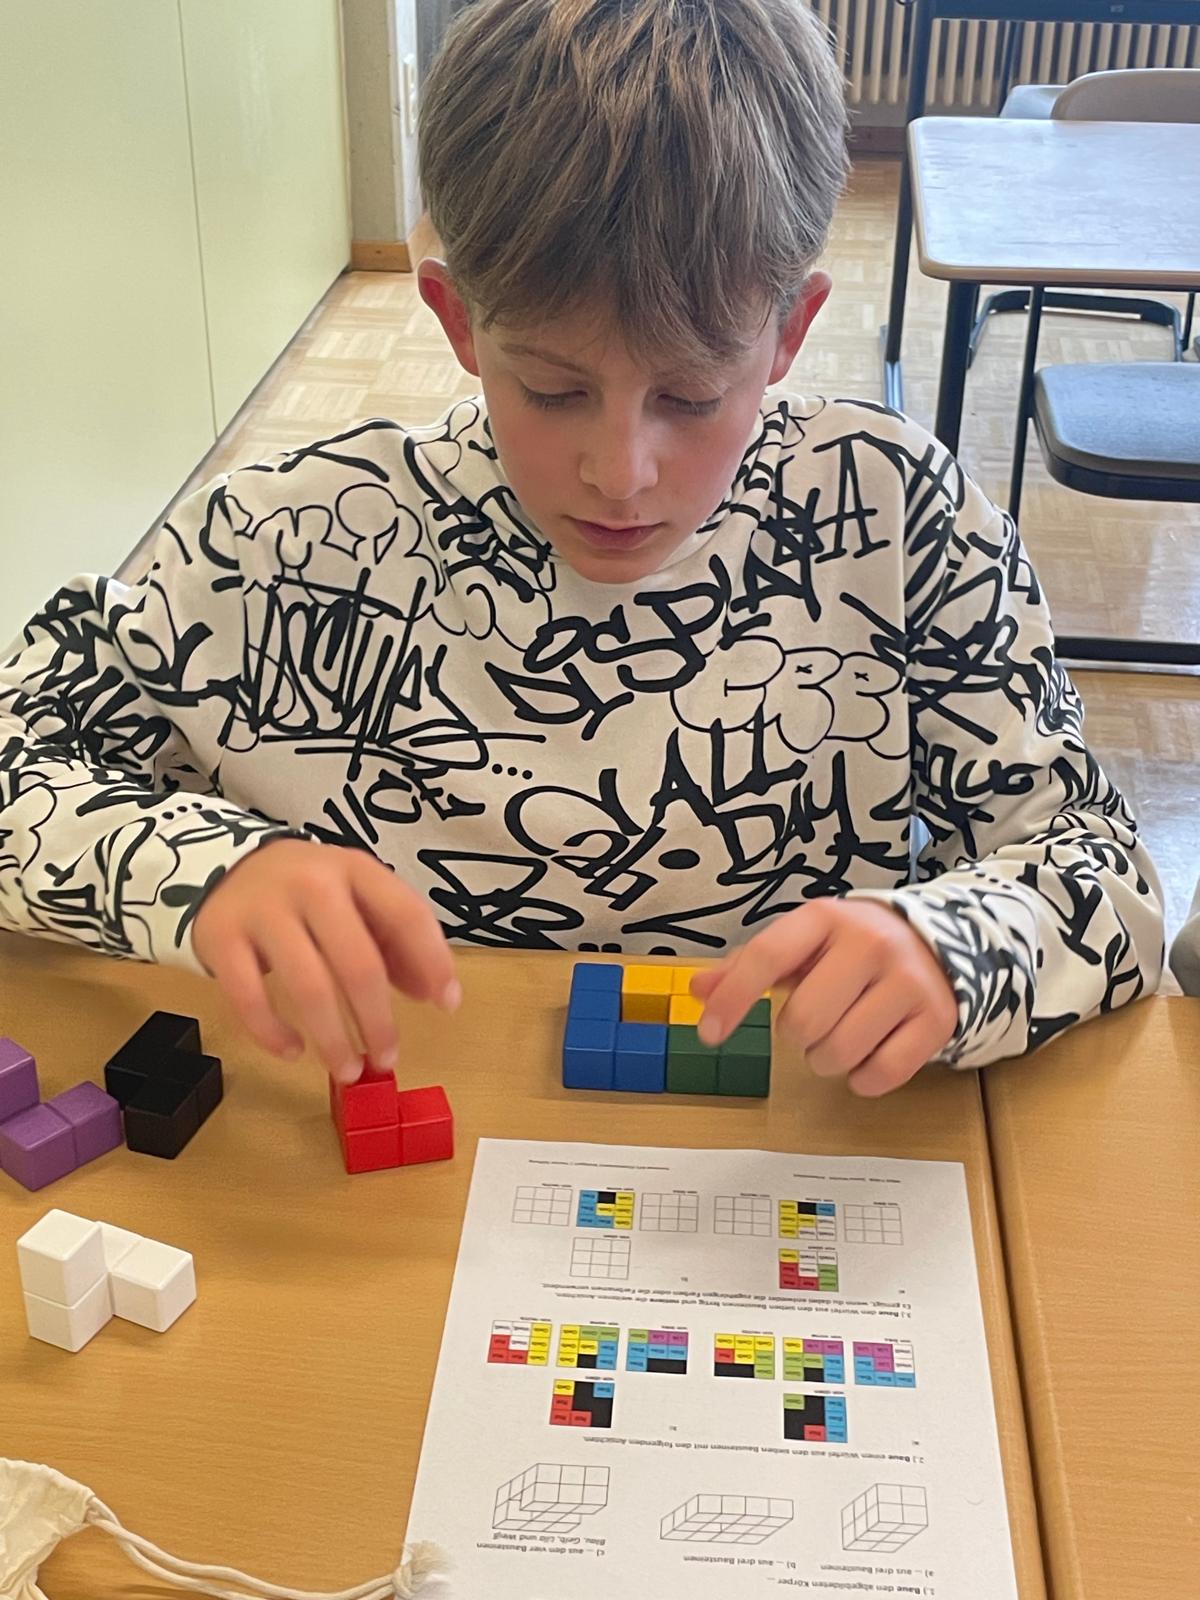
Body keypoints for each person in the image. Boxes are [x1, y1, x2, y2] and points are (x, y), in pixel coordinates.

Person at [0, 0, 1163, 1098]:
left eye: (691, 396)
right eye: (554, 391)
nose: (622, 471)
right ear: (459, 321)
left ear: (788, 333)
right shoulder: (280, 545)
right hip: (402, 1158)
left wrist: (951, 945)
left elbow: (1102, 871)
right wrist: (207, 872)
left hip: (778, 1146)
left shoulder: (896, 519)